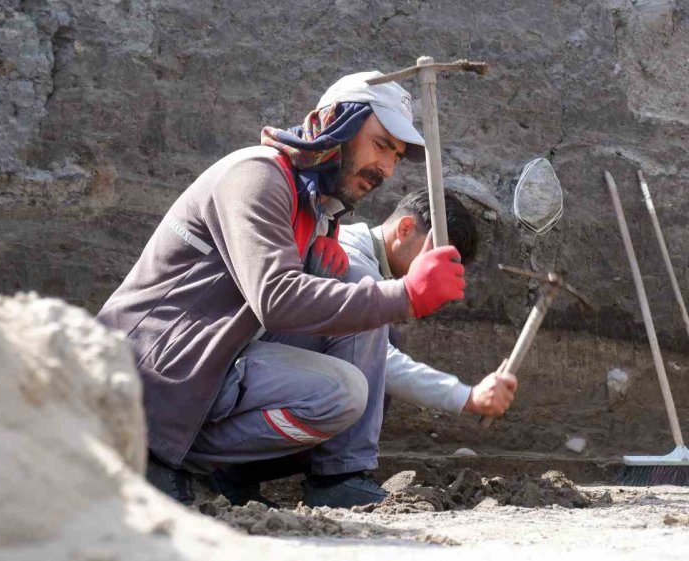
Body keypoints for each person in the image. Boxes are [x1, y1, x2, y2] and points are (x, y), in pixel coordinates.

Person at [96, 70, 503, 507]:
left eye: (396, 156)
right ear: (333, 122)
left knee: (359, 303)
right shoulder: (256, 175)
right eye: (381, 145)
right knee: (340, 391)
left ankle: (339, 478)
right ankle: (163, 457)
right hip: (157, 369)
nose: (386, 168)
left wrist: (325, 264)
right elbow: (275, 299)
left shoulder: (315, 205)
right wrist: (405, 295)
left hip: (212, 358)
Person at [211, 190, 518, 508]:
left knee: (387, 341)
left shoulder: (363, 261)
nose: (435, 271)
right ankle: (337, 479)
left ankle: (237, 475)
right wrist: (466, 396)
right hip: (235, 380)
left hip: (263, 380)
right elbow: (383, 362)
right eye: (433, 257)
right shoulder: (353, 264)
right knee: (373, 340)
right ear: (405, 229)